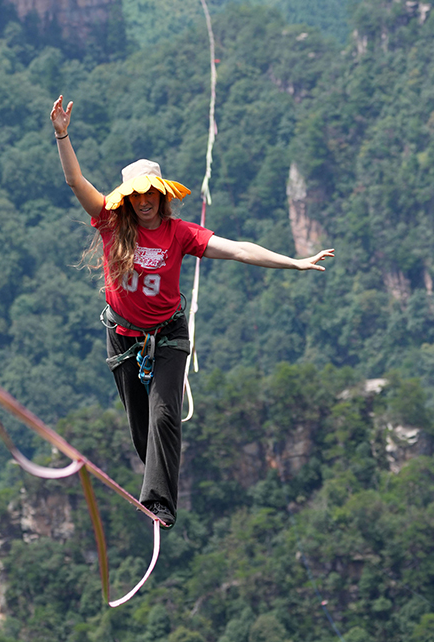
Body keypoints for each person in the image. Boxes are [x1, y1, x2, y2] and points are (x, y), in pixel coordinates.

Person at [51, 95, 334, 529]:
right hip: (123, 334)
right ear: (127, 199)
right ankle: (154, 484)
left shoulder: (180, 233)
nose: (144, 201)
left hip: (167, 333)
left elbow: (238, 249)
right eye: (137, 195)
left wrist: (294, 262)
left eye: (151, 194)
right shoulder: (110, 221)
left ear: (161, 196)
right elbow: (76, 183)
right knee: (140, 424)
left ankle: (160, 502)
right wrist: (62, 135)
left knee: (165, 412)